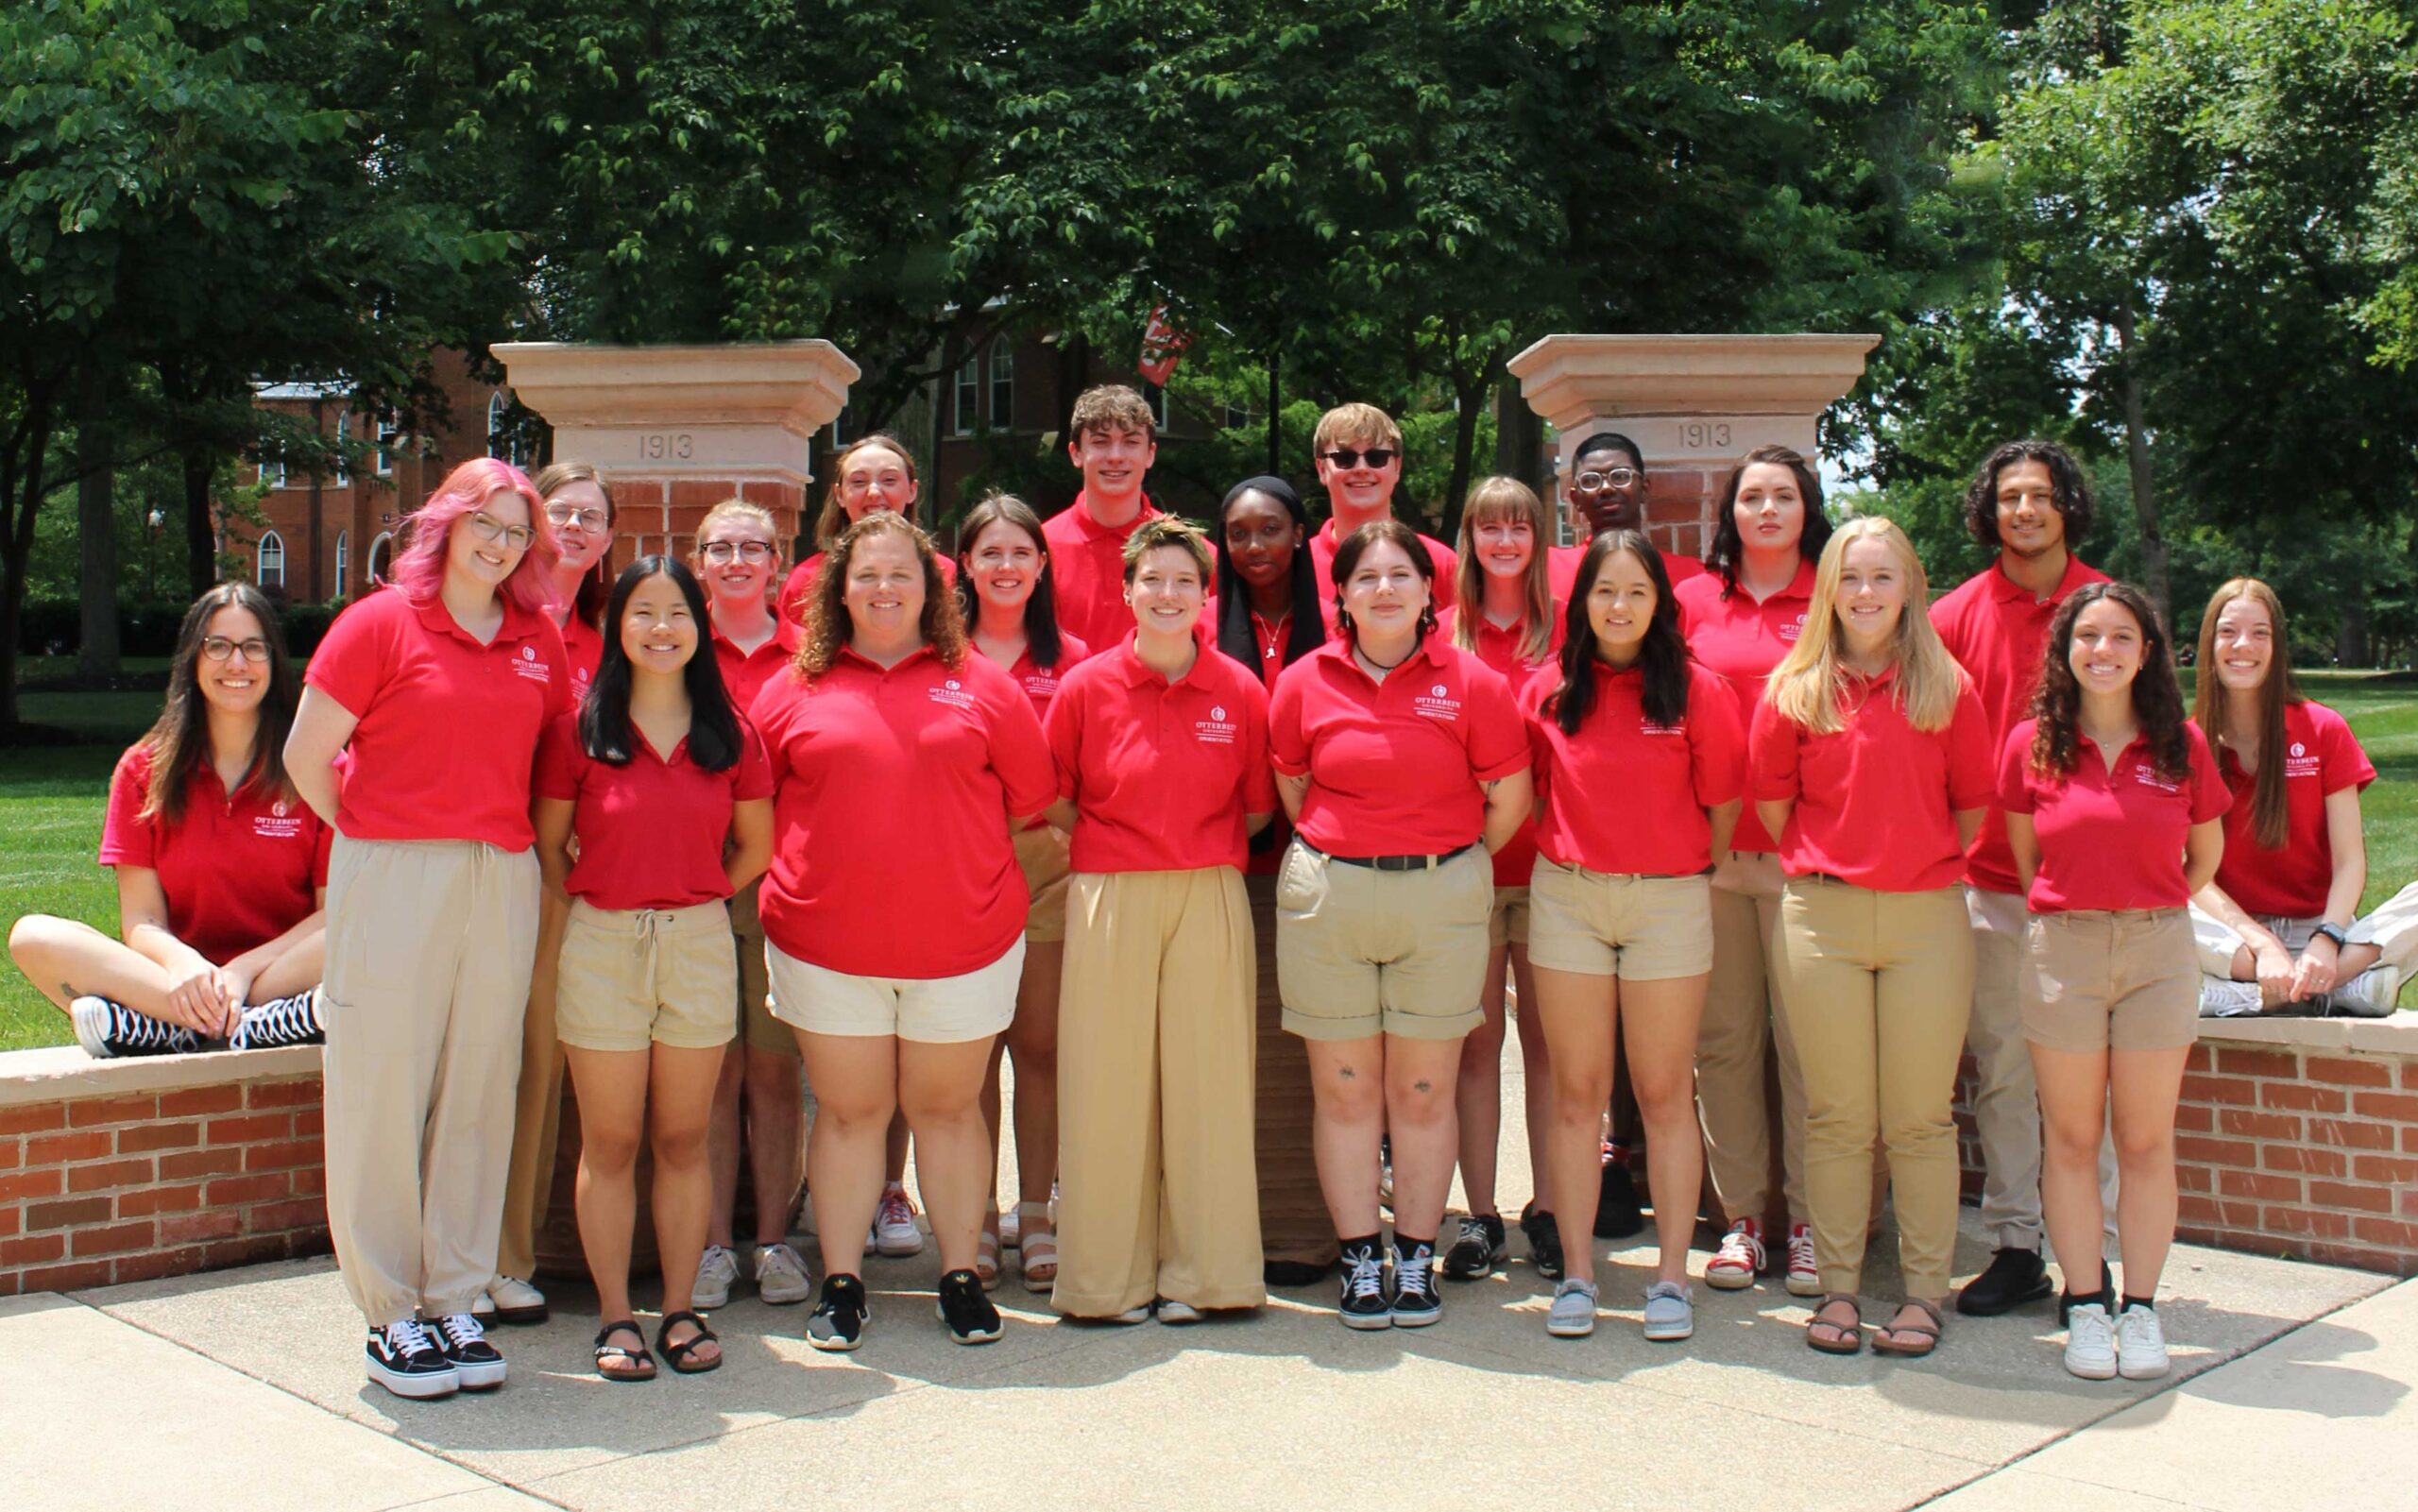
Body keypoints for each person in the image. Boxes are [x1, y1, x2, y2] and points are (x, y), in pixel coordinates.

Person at [285, 457, 570, 1400]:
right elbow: (307, 755)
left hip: (502, 872)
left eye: (518, 532)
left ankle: (453, 1294)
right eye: (486, 523)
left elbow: (550, 760)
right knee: (382, 1084)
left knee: (479, 1083)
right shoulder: (378, 622)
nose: (500, 544)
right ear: (446, 522)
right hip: (394, 868)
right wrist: (375, 835)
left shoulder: (537, 637)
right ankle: (389, 1312)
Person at [750, 510, 1055, 1351]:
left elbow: (1033, 807)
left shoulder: (982, 684)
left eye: (902, 575)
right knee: (851, 1113)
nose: (884, 588)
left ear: (932, 590)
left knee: (948, 1110)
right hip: (825, 947)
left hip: (962, 947)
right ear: (839, 591)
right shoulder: (792, 689)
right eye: (867, 575)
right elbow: (750, 806)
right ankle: (842, 1283)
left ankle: (958, 1278)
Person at [1270, 519, 1531, 1330]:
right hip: (1331, 898)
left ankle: (1415, 1255)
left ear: (1429, 593)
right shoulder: (1304, 682)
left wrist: (1450, 864)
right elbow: (1292, 788)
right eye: (1366, 578)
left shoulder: (1474, 682)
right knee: (1345, 1089)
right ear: (1342, 596)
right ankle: (1360, 1257)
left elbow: (1509, 799)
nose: (1384, 589)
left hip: (1440, 897)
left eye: (1400, 576)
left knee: (1423, 1089)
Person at [1750, 517, 1993, 1359]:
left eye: (1883, 576)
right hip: (1824, 917)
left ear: (1910, 586)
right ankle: (1840, 1289)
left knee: (1920, 1119)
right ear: (1828, 589)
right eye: (1850, 577)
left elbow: (1970, 808)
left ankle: (1924, 1293)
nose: (1865, 593)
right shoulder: (1793, 690)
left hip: (1928, 917)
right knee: (1839, 1116)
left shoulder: (1949, 687)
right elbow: (1775, 808)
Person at [533, 557, 774, 1382]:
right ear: (617, 626)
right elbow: (549, 845)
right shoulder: (580, 728)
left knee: (681, 1138)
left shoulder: (731, 732)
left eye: (677, 612)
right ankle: (614, 1315)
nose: (661, 628)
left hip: (698, 944)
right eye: (642, 611)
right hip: (603, 944)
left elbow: (758, 846)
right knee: (610, 1140)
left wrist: (694, 897)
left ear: (699, 626)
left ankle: (677, 1308)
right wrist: (610, 897)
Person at [1046, 518, 1274, 1322]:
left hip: (1207, 888)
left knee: (1211, 1082)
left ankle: (1207, 1277)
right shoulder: (1085, 686)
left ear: (1206, 594)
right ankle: (1105, 1281)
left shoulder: (1240, 690)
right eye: (1153, 579)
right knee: (1105, 1083)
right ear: (1127, 590)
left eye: (1184, 581)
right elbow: (1058, 798)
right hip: (1111, 891)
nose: (1168, 594)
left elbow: (1255, 808)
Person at [1999, 582, 2227, 1381]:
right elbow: (2028, 857)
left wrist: (2144, 902)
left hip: (2158, 950)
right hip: (2063, 950)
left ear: (2147, 651)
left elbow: (2205, 855)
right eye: (2087, 636)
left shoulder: (2180, 744)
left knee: (2144, 1139)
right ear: (2065, 651)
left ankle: (2143, 1308)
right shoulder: (2030, 743)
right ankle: (2087, 1305)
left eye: (2121, 636)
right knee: (2069, 1138)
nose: (2103, 650)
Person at [1524, 531, 1744, 1341]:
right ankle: (1578, 1274)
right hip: (1570, 900)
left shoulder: (1698, 691)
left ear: (1660, 604)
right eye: (1605, 590)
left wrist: (1675, 866)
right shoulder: (1549, 688)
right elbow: (1538, 790)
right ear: (1582, 600)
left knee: (1663, 1092)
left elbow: (1722, 806)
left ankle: (1671, 1278)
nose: (1619, 606)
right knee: (1576, 1094)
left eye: (1637, 592)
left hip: (1666, 902)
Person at [1929, 440, 2115, 1318]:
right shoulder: (1953, 615)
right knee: (2004, 1069)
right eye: (2010, 497)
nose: (2026, 510)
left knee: (2087, 1080)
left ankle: (2095, 1257)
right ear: (1989, 510)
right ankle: (2016, 1245)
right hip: (1990, 882)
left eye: (2041, 495)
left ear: (2066, 503)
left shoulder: (2108, 607)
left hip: (2091, 888)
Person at [9, 583, 329, 1058]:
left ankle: (177, 1027)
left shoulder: (315, 766)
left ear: (274, 660)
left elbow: (332, 913)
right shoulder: (143, 770)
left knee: (373, 923)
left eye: (253, 647)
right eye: (217, 646)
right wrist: (184, 966)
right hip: (176, 982)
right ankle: (241, 1025)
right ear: (192, 659)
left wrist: (241, 972)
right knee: (33, 936)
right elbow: (142, 920)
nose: (236, 663)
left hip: (279, 974)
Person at [1675, 445, 1833, 1296]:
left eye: (1783, 496)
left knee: (1810, 1048)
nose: (1766, 510)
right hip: (1711, 858)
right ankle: (1741, 1220)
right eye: (1751, 497)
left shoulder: (1835, 597)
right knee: (1725, 1043)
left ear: (1808, 508)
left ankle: (1811, 1223)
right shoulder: (1694, 602)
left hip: (1807, 857)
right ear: (1729, 511)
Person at [486, 460, 618, 1329]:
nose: (572, 527)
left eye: (590, 517)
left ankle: (510, 1254)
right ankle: (459, 1251)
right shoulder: (502, 620)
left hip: (576, 878)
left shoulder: (613, 637)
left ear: (608, 540)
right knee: (483, 1058)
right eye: (559, 511)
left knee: (542, 1062)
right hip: (496, 860)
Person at [959, 493, 1092, 1292]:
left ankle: (1036, 1210)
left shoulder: (1073, 659)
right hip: (955, 872)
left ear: (1042, 565)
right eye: (990, 553)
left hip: (1047, 871)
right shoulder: (938, 655)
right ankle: (972, 1212)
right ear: (965, 565)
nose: (1005, 567)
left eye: (1020, 553)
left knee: (1039, 1049)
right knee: (968, 1054)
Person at [1211, 475, 1337, 1288]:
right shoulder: (1198, 628)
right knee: (1242, 1054)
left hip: (1325, 868)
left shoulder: (1340, 630)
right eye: (1239, 533)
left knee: (1308, 1058)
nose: (1254, 545)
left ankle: (1305, 1230)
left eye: (1270, 529)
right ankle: (1231, 1226)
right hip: (1234, 868)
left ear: (1300, 535)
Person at [689, 500, 815, 1314]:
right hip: (693, 884)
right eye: (721, 547)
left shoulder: (808, 655)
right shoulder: (673, 643)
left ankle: (772, 1240)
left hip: (780, 887)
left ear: (777, 562)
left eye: (753, 547)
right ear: (699, 560)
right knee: (710, 1070)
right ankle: (708, 1243)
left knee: (773, 1069)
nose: (737, 560)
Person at [1435, 477, 1562, 1283]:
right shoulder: (1444, 633)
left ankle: (1548, 1206)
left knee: (1551, 1048)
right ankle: (1481, 1214)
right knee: (1476, 1049)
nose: (1505, 540)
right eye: (1490, 527)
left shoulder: (1567, 628)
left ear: (1538, 539)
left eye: (1520, 526)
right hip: (1469, 868)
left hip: (1553, 871)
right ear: (1470, 539)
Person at [2188, 579, 2418, 1017]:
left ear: (2277, 645)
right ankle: (2341, 990)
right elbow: (2196, 877)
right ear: (2208, 644)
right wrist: (2261, 944)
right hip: (2237, 937)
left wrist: (2327, 939)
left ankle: (2262, 995)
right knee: (2153, 892)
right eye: (2228, 631)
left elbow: (2349, 861)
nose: (2243, 645)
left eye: (2260, 633)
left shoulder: (2323, 728)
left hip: (2324, 934)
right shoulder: (2186, 743)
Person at [1304, 403, 1459, 626]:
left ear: (1397, 467)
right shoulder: (1297, 566)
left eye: (1376, 457)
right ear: (1321, 469)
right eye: (1344, 458)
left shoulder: (1441, 564)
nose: (1361, 468)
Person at [777, 435, 954, 622]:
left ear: (912, 490)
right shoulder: (806, 581)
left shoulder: (945, 574)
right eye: (859, 482)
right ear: (840, 494)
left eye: (889, 480)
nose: (874, 492)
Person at [1042, 385, 1165, 651]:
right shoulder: (1036, 549)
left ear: (1150, 454)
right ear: (1076, 453)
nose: (1115, 457)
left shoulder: (1189, 552)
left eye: (1131, 442)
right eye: (1100, 442)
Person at [1548, 433, 1706, 599]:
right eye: (1591, 480)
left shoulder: (1691, 576)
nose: (1606, 488)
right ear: (1575, 499)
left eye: (1620, 476)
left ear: (1644, 489)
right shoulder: (1548, 570)